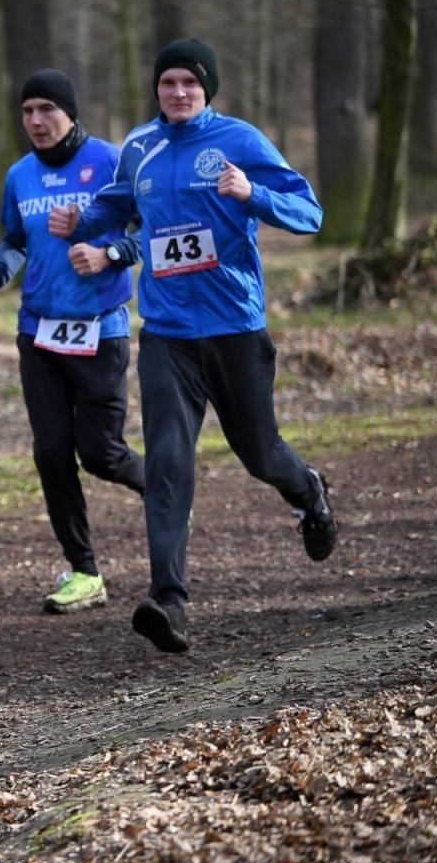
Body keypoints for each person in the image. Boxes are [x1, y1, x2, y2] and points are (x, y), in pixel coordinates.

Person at [48, 39, 338, 654]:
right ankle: (169, 600)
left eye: (189, 83)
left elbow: (309, 213)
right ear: (156, 90)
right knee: (170, 462)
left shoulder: (240, 142)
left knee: (259, 453)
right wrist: (84, 222)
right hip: (167, 335)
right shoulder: (141, 147)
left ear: (207, 89)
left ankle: (307, 490)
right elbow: (116, 209)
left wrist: (250, 195)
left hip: (234, 327)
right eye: (168, 83)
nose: (178, 93)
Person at [0, 70, 145, 614]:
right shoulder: (19, 175)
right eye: (27, 112)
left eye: (47, 109)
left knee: (101, 453)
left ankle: (166, 487)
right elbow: (17, 241)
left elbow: (147, 229)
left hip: (102, 329)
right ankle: (84, 571)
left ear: (70, 111)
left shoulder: (112, 161)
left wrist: (108, 255)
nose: (36, 121)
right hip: (40, 334)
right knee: (51, 453)